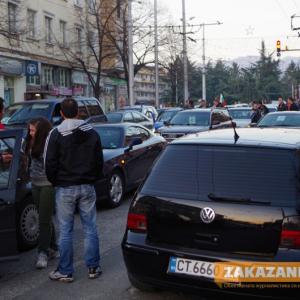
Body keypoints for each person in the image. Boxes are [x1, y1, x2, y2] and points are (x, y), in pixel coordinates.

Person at [45, 98, 103, 283]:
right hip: (87, 185)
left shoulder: (56, 133)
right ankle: (93, 267)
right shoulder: (92, 132)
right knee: (90, 227)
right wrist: (92, 178)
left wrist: (56, 181)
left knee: (65, 230)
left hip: (65, 187)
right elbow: (98, 160)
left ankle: (66, 271)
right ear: (78, 111)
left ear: (61, 113)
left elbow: (49, 163)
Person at [24, 118, 58, 269]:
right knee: (44, 216)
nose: (30, 133)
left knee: (43, 219)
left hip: (47, 184)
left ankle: (42, 253)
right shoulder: (28, 142)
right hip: (34, 183)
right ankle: (53, 247)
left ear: (41, 131)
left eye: (33, 130)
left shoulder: (48, 144)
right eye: (29, 130)